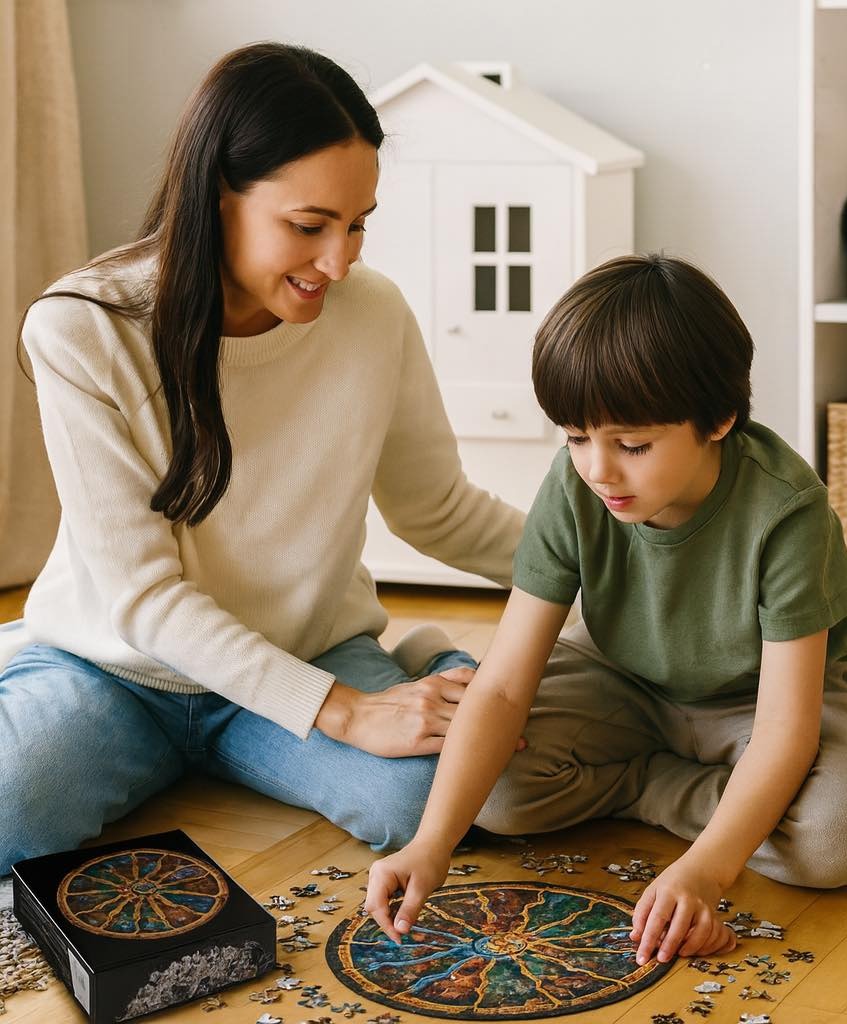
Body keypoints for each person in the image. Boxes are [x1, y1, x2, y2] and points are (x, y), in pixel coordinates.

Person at [0, 42, 525, 877]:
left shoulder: (373, 315)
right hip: (116, 670)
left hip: (308, 650)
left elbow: (439, 509)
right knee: (7, 809)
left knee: (432, 802)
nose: (340, 262)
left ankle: (430, 664)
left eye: (358, 225)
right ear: (216, 198)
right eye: (309, 226)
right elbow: (142, 597)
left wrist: (610, 563)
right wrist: (346, 716)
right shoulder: (83, 328)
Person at [365, 253, 847, 964]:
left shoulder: (788, 511)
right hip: (621, 676)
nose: (598, 469)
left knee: (836, 840)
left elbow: (785, 729)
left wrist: (705, 871)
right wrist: (430, 844)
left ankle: (654, 786)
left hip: (757, 703)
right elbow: (504, 684)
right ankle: (664, 783)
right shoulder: (577, 485)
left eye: (633, 445)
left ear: (718, 419)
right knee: (497, 798)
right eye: (577, 437)